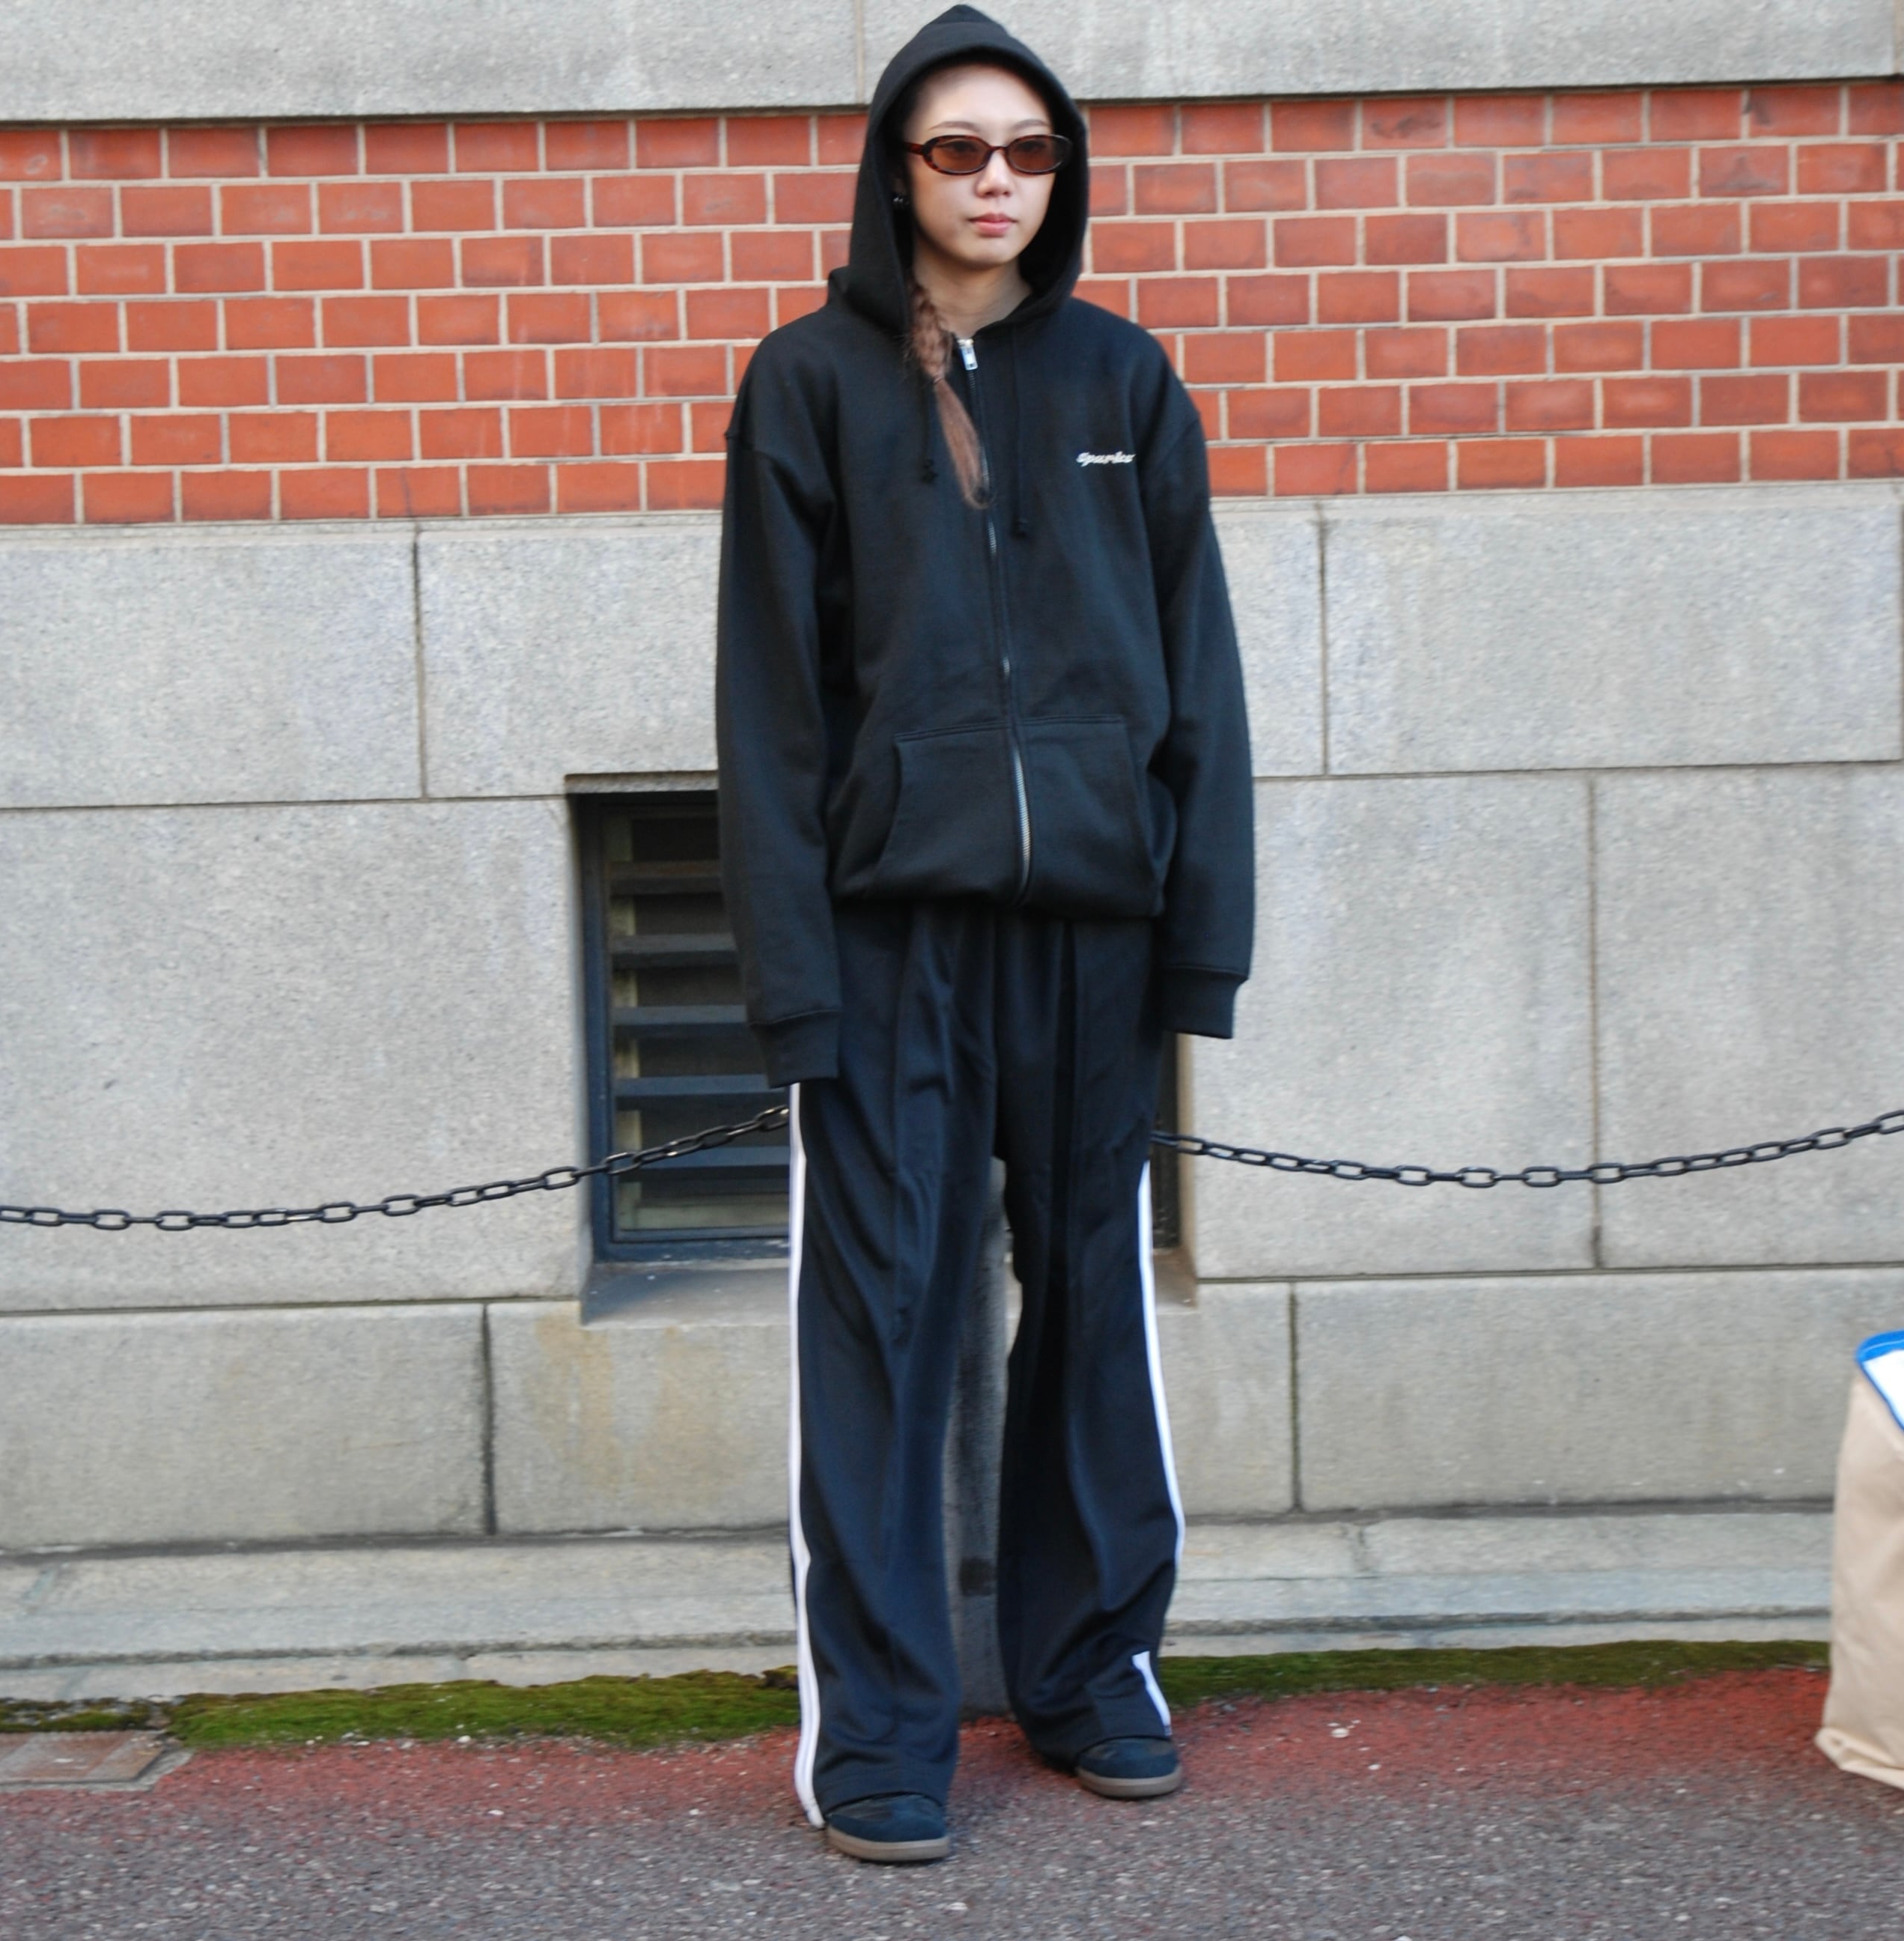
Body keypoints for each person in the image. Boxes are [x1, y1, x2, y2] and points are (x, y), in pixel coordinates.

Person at [716, 4, 1253, 1865]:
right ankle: (878, 1729)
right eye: (957, 149)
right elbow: (772, 711)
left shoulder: (1124, 381)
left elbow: (1200, 675)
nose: (996, 180)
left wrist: (1199, 941)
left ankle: (1091, 1672)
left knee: (1095, 1310)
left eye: (1028, 150)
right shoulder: (809, 383)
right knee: (883, 1324)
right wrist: (794, 986)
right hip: (890, 943)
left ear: (1061, 172)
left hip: (1093, 936)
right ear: (898, 170)